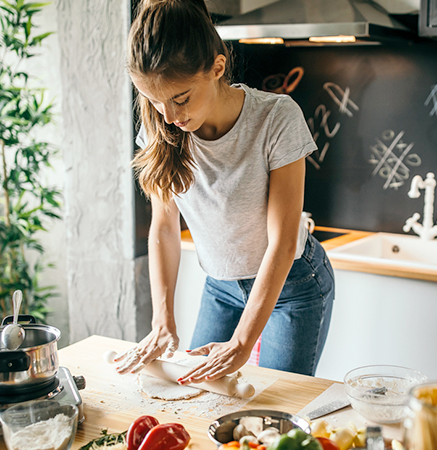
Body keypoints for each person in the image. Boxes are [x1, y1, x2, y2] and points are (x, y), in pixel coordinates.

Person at [113, 0, 335, 383]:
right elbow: (164, 228)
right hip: (220, 285)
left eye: (180, 98)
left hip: (293, 285)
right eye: (153, 100)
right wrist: (162, 317)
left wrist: (243, 343)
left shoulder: (276, 118)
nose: (168, 116)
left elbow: (282, 242)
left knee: (271, 408)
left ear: (217, 68)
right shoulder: (161, 127)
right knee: (198, 395)